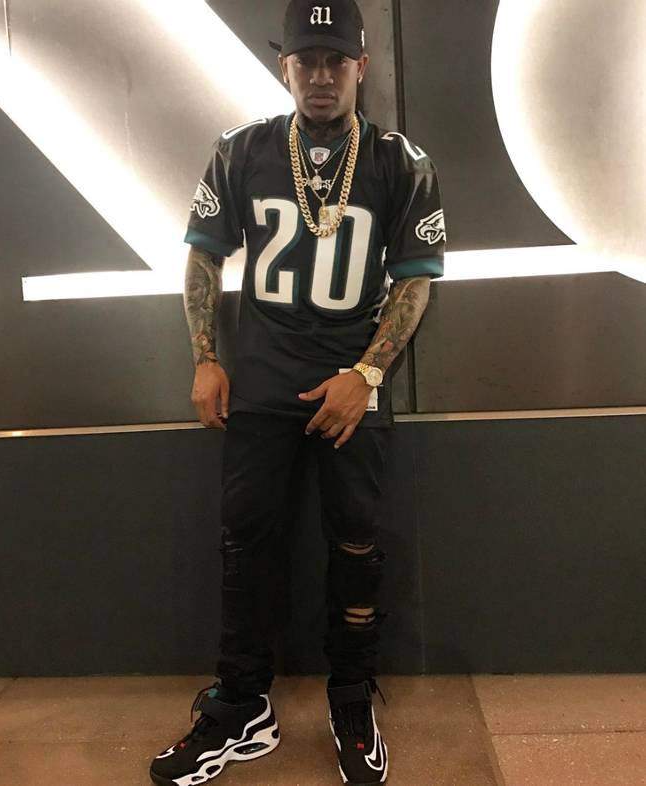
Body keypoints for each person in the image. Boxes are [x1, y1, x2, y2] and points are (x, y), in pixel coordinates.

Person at [149, 1, 445, 784]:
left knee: (357, 544)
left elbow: (415, 281)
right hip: (263, 379)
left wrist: (367, 374)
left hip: (354, 383)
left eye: (335, 60)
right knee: (245, 544)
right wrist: (205, 356)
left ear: (360, 67)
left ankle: (350, 696)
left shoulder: (399, 160)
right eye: (306, 60)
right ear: (284, 67)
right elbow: (204, 257)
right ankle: (242, 702)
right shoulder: (242, 149)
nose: (320, 75)